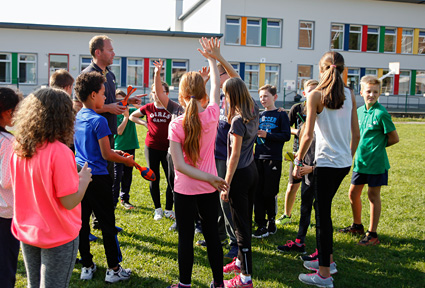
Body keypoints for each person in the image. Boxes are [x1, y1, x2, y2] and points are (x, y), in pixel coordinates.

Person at [10, 88, 92, 288]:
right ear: (63, 116)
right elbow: (69, 200)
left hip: (28, 231)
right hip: (58, 234)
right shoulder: (60, 152)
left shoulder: (19, 147)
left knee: (33, 284)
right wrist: (84, 180)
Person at [294, 51, 360, 288]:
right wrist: (346, 157)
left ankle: (324, 275)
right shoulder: (350, 94)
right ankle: (328, 261)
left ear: (321, 70)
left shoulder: (314, 95)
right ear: (343, 70)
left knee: (323, 217)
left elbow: (307, 135)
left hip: (325, 165)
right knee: (322, 209)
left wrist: (298, 162)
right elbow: (356, 134)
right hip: (342, 164)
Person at [166, 37, 227, 288]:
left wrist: (209, 179)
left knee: (185, 240)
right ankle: (219, 283)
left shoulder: (176, 124)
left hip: (185, 191)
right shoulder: (213, 115)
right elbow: (215, 91)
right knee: (213, 237)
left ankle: (184, 284)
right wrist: (212, 59)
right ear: (202, 95)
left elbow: (179, 166)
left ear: (180, 96)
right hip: (208, 189)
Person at [73, 72, 136, 283]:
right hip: (99, 179)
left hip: (81, 177)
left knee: (83, 224)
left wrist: (115, 154)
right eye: (102, 94)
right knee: (108, 224)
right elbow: (106, 154)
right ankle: (113, 269)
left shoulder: (78, 117)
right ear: (92, 95)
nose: (105, 99)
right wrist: (126, 160)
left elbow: (94, 150)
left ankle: (87, 265)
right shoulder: (99, 120)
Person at [339, 75, 399, 246]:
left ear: (380, 93)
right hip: (361, 162)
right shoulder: (357, 112)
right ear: (361, 92)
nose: (371, 94)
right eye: (368, 91)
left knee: (373, 196)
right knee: (353, 193)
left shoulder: (381, 113)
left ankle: (372, 234)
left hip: (376, 163)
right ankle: (357, 226)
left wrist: (378, 146)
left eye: (375, 92)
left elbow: (394, 138)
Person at [220, 78, 260, 287]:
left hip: (240, 174)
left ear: (231, 96)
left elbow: (234, 155)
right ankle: (239, 261)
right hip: (252, 172)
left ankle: (245, 278)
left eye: (225, 94)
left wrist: (226, 184)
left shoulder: (237, 120)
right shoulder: (253, 111)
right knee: (245, 220)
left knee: (241, 227)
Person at [277, 80, 319, 256]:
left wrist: (313, 168)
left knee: (320, 208)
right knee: (305, 203)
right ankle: (300, 241)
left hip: (318, 167)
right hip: (304, 161)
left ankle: (322, 252)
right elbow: (299, 134)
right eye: (309, 92)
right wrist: (299, 162)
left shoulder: (325, 118)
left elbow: (333, 151)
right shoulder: (299, 112)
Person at [129, 83, 174, 220]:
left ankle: (168, 209)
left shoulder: (171, 107)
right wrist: (144, 123)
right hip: (152, 147)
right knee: (153, 177)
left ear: (166, 93)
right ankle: (158, 209)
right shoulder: (148, 107)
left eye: (160, 91)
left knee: (171, 179)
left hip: (168, 148)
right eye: (154, 92)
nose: (156, 94)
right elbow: (133, 116)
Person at [252, 84, 290, 238]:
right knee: (257, 192)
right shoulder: (259, 115)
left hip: (273, 158)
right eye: (261, 97)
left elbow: (286, 136)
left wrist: (268, 135)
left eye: (266, 96)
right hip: (257, 158)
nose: (263, 99)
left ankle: (271, 222)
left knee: (269, 192)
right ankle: (260, 223)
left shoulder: (281, 115)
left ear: (275, 97)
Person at [0, 88, 21, 288]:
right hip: (5, 213)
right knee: (6, 266)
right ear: (7, 112)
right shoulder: (8, 142)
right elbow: (7, 180)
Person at [112, 89, 140, 209]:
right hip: (119, 149)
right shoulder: (113, 115)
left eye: (123, 101)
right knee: (117, 175)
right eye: (118, 101)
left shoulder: (132, 111)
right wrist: (125, 118)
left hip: (131, 147)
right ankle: (113, 201)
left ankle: (125, 198)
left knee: (127, 175)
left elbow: (144, 113)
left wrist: (137, 105)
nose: (121, 105)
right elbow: (119, 131)